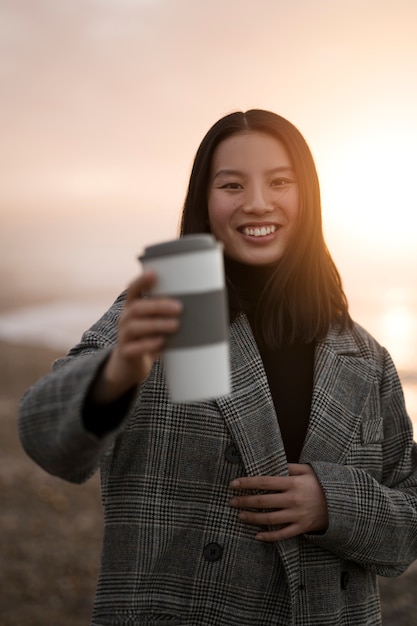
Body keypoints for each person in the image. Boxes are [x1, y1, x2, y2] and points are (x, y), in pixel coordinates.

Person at [19, 109, 417, 626]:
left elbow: (409, 521)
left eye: (279, 182)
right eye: (232, 184)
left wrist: (335, 505)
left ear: (309, 199)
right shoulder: (167, 313)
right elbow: (44, 437)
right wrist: (118, 372)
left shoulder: (366, 359)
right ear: (204, 203)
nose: (256, 202)